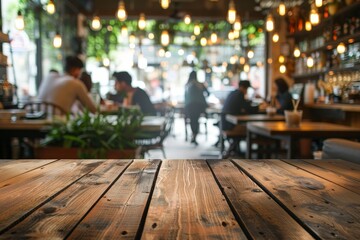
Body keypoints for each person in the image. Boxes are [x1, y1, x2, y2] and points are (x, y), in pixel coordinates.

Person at [184, 70, 209, 145]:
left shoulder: (187, 85)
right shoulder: (200, 84)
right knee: (196, 120)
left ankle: (194, 135)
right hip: (199, 106)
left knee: (193, 120)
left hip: (189, 106)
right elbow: (208, 93)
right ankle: (195, 135)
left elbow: (185, 97)